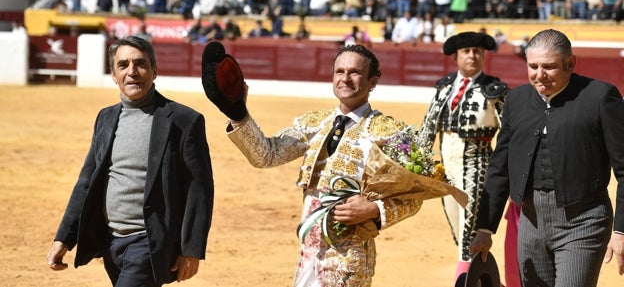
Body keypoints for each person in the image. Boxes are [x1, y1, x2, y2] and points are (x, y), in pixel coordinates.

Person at [202, 43, 422, 287]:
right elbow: (266, 154)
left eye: (354, 72)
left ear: (373, 81)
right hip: (308, 253)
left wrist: (374, 209)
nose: (345, 78)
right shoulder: (315, 123)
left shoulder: (390, 133)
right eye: (340, 71)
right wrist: (238, 114)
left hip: (350, 256)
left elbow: (414, 196)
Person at [46, 36, 214, 286]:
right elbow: (87, 182)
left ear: (154, 70)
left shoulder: (183, 120)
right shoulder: (105, 117)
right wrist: (65, 237)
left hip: (149, 242)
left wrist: (191, 248)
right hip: (111, 242)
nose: (132, 72)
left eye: (140, 64)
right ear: (114, 74)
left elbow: (199, 189)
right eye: (122, 65)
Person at [470, 29, 624, 287]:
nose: (540, 75)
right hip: (530, 221)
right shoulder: (517, 100)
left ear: (571, 64)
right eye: (533, 66)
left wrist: (621, 230)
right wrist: (485, 228)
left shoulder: (600, 97)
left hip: (583, 220)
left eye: (549, 67)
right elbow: (501, 167)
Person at [415, 31, 508, 286]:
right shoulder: (443, 87)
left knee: (470, 237)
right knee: (460, 234)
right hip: (447, 170)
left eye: (478, 51)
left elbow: (510, 133)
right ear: (456, 56)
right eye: (467, 51)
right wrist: (416, 168)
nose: (472, 56)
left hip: (478, 166)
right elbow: (427, 128)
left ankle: (465, 281)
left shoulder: (494, 90)